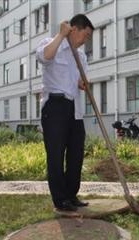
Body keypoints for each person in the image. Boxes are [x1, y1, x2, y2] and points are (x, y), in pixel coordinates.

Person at [36, 14, 94, 212]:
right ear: (74, 29)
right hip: (55, 107)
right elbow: (44, 57)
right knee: (56, 154)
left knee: (76, 153)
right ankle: (60, 200)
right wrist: (61, 35)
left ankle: (71, 194)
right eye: (85, 35)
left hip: (74, 109)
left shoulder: (81, 56)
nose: (86, 40)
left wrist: (83, 84)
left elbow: (79, 82)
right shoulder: (52, 44)